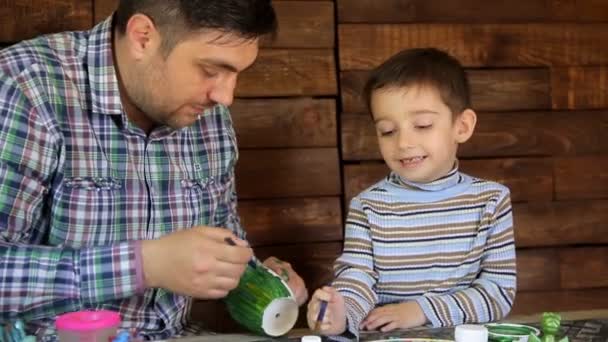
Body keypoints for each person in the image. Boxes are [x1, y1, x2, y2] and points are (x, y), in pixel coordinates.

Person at [0, 0, 308, 339]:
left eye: (237, 73)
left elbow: (224, 246)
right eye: (210, 70)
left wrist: (258, 279)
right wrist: (142, 266)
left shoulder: (207, 114)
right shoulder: (26, 86)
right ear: (143, 37)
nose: (226, 96)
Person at [306, 48, 516, 339]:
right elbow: (356, 278)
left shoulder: (491, 201)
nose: (404, 142)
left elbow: (498, 293)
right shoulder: (368, 206)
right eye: (388, 131)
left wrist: (421, 310)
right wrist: (342, 313)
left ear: (462, 126)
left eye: (422, 125)